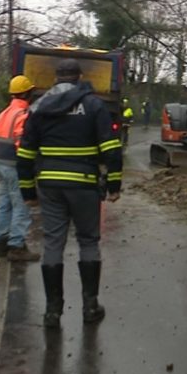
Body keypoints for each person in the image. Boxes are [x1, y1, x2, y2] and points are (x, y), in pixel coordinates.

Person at [17, 59, 123, 328]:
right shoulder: (93, 105)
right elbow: (111, 149)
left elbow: (26, 153)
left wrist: (28, 190)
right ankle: (90, 306)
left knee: (53, 243)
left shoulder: (39, 108)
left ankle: (53, 312)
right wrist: (113, 186)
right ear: (79, 77)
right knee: (88, 241)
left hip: (50, 185)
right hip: (84, 184)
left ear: (56, 78)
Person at [0, 75, 40, 262]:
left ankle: (0, 242)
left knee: (4, 204)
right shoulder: (23, 115)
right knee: (21, 205)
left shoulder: (3, 114)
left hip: (0, 164)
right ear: (27, 93)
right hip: (15, 167)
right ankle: (17, 246)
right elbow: (22, 145)